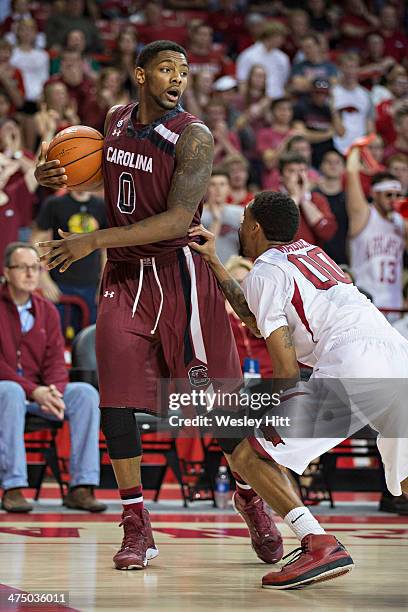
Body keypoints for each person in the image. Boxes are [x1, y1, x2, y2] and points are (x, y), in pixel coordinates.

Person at [34, 40, 284, 576]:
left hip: (182, 277)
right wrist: (52, 172)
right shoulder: (114, 120)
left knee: (214, 412)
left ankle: (248, 496)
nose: (178, 78)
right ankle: (135, 521)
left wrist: (92, 239)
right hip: (124, 280)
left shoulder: (194, 135)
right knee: (117, 403)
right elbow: (107, 175)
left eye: (184, 71)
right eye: (167, 69)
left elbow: (175, 219)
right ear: (141, 74)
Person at [189, 190, 408, 588]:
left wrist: (272, 411)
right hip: (397, 355)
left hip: (354, 363)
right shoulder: (310, 252)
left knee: (250, 452)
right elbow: (257, 318)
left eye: (244, 221)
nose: (239, 226)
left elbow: (287, 368)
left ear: (254, 227)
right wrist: (216, 264)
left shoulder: (265, 271)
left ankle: (316, 542)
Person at [0, 242, 106, 513]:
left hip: (41, 394)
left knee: (85, 394)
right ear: (6, 272)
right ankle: (13, 487)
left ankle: (81, 487)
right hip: (8, 392)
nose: (30, 273)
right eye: (22, 267)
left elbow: (57, 361)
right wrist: (34, 391)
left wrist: (55, 392)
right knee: (10, 390)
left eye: (35, 267)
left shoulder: (47, 310)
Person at [346, 147, 407, 314]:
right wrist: (356, 150)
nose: (394, 200)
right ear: (374, 193)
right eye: (388, 195)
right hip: (367, 303)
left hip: (395, 305)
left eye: (397, 195)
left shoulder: (400, 220)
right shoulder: (365, 215)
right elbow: (351, 174)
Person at [201, 170, 242, 264]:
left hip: (232, 270)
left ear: (229, 188)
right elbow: (205, 250)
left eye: (222, 184)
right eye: (213, 184)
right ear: (206, 188)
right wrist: (216, 220)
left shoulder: (240, 212)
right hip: (207, 268)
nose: (218, 189)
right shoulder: (199, 215)